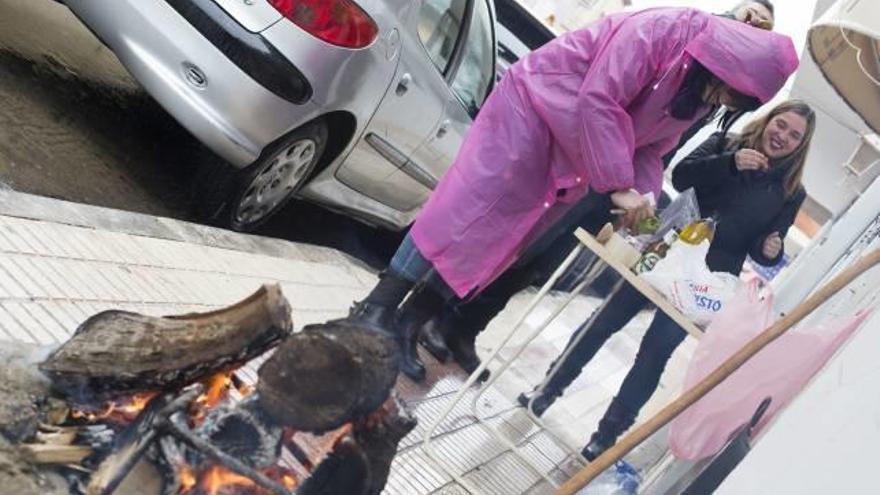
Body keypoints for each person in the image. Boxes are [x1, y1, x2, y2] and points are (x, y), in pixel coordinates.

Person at [349, 7, 799, 382]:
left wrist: (641, 197)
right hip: (535, 112)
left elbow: (654, 148)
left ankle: (408, 324)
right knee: (463, 212)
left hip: (577, 149)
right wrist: (619, 186)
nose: (726, 101)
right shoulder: (658, 31)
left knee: (503, 241)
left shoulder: (700, 91)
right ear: (733, 65)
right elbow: (598, 99)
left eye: (736, 102)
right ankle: (376, 308)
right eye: (734, 93)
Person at [519, 100, 816, 461]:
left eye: (794, 135)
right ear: (769, 120)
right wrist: (730, 164)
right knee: (603, 322)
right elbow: (681, 175)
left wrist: (771, 248)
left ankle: (607, 435)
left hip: (705, 283)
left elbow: (764, 246)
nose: (782, 136)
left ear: (801, 145)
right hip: (665, 252)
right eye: (780, 124)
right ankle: (547, 390)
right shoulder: (725, 143)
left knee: (656, 350)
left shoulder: (790, 191)